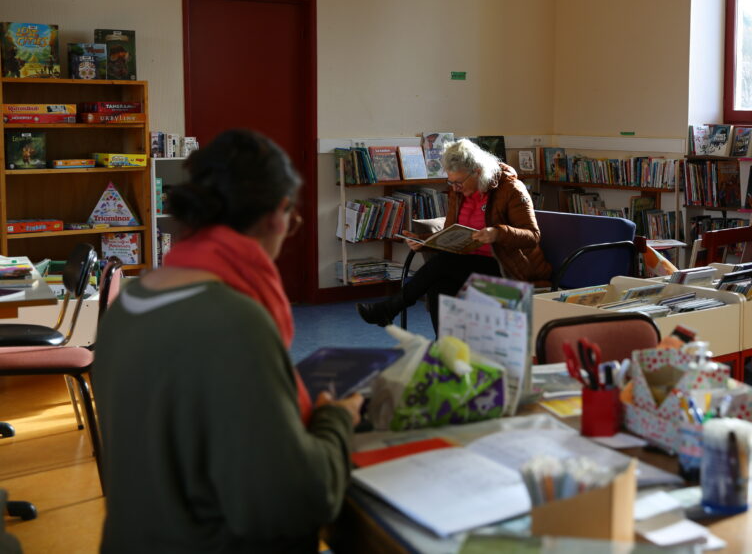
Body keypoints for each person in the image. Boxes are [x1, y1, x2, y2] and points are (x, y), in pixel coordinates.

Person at [93, 129, 360, 554]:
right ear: (279, 214)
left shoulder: (130, 305)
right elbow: (296, 501)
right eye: (292, 219)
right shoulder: (235, 322)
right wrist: (336, 419)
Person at [357, 138, 551, 333]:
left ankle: (391, 308)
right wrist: (423, 242)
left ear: (478, 171)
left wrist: (497, 233)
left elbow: (532, 235)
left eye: (458, 182)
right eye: (451, 182)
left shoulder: (511, 189)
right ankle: (445, 349)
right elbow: (451, 236)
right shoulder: (458, 193)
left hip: (504, 267)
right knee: (439, 286)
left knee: (445, 262)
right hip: (464, 266)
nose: (455, 188)